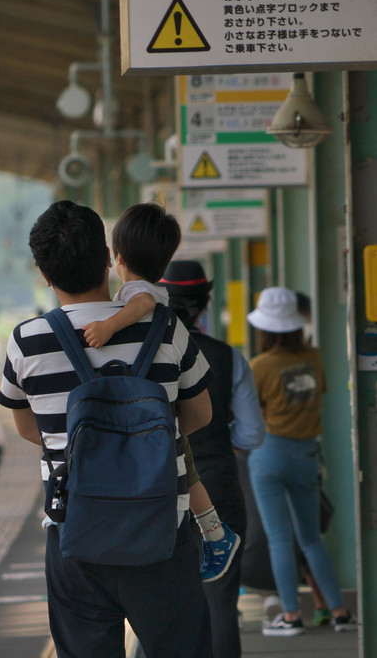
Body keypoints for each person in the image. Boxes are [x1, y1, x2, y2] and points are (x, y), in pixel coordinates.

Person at [0, 200, 214, 658]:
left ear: (45, 274)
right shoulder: (166, 327)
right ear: (107, 259)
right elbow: (199, 417)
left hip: (75, 534)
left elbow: (28, 428)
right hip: (162, 530)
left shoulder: (27, 340)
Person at [81, 204, 240, 583]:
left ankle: (216, 534)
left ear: (117, 258)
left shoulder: (138, 293)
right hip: (160, 412)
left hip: (150, 411)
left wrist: (108, 326)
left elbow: (143, 305)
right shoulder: (148, 289)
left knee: (186, 469)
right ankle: (215, 532)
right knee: (187, 469)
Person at [161, 260, 267, 658]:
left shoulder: (149, 353)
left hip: (160, 491)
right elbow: (253, 433)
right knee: (221, 603)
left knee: (159, 606)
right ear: (206, 302)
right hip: (219, 487)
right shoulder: (228, 357)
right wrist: (223, 443)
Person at [246, 286, 358, 635]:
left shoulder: (260, 366)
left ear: (264, 328)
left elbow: (252, 414)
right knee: (311, 538)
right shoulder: (314, 358)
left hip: (270, 455)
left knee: (279, 538)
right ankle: (339, 612)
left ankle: (291, 617)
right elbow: (317, 394)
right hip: (307, 454)